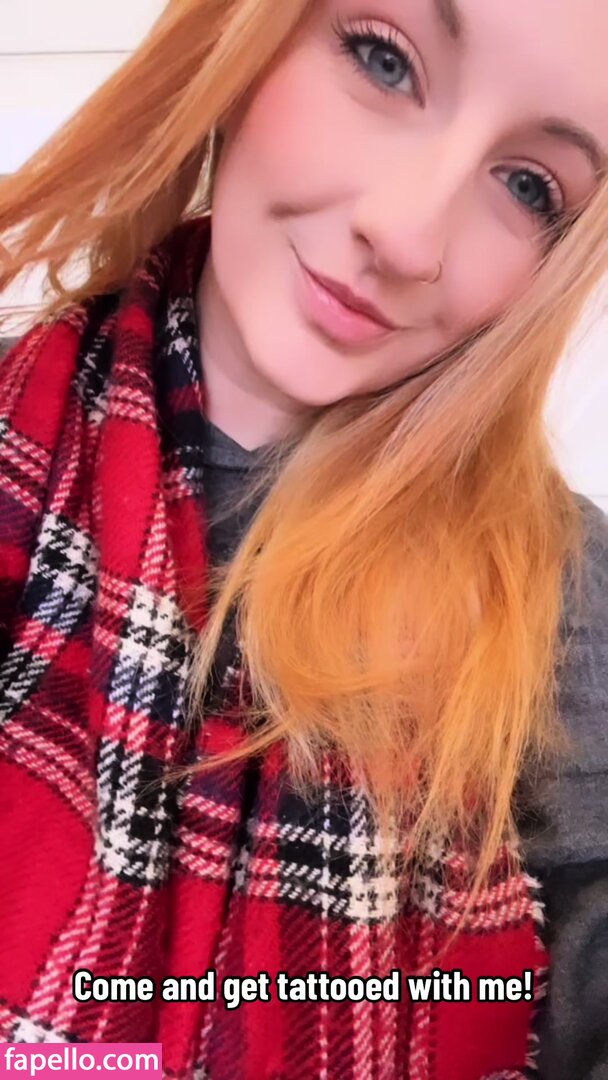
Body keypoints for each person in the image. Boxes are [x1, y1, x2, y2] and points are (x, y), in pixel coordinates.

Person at [0, 0, 607, 1076]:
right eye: (384, 61)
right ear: (243, 40)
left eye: (528, 187)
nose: (407, 235)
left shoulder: (562, 596)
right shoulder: (19, 441)